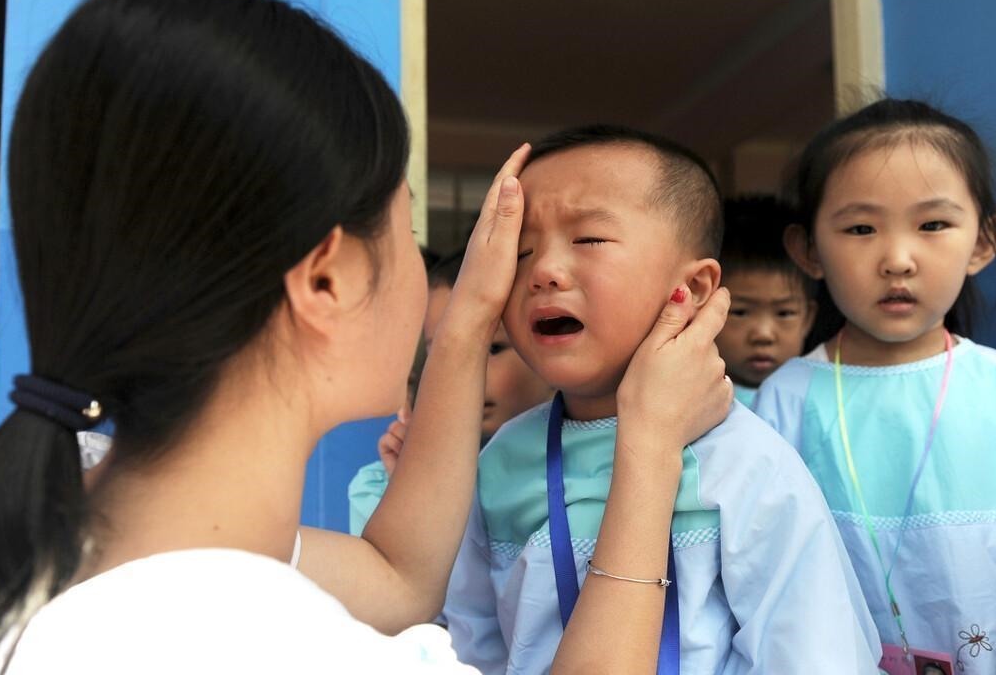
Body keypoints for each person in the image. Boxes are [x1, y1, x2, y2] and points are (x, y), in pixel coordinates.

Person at [0, 0, 734, 674]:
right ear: (325, 280)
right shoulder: (291, 649)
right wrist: (650, 447)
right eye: (405, 235)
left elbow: (397, 577)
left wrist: (475, 314)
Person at [443, 125, 880, 674]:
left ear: (694, 288)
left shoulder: (746, 462)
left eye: (589, 240)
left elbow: (813, 654)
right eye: (521, 249)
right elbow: (470, 640)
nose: (544, 272)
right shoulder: (504, 460)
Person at [756, 98, 996, 675]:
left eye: (933, 224)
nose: (897, 259)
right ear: (808, 250)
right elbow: (759, 571)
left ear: (984, 242)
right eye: (861, 228)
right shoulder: (782, 401)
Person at [349, 251, 553, 535]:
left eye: (493, 348)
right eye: (441, 354)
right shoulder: (381, 487)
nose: (465, 372)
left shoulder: (582, 476)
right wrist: (413, 492)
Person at [714, 195, 816, 407]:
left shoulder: (820, 397)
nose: (763, 335)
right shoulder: (694, 402)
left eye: (784, 313)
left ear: (808, 318)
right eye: (741, 312)